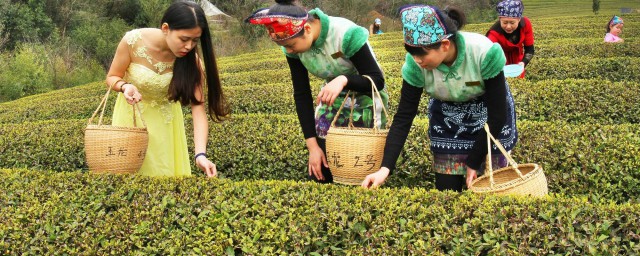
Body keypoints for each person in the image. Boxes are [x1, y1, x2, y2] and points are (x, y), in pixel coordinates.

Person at [361, 5, 518, 191]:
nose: (417, 60)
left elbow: (497, 115)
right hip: (447, 118)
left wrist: (474, 161)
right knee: (447, 190)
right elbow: (404, 116)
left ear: (445, 45)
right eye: (412, 53)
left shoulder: (483, 53)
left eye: (421, 54)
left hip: (488, 116)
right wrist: (384, 168)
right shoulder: (414, 65)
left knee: (489, 188)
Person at [246, 0, 388, 183]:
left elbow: (377, 80)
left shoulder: (345, 34)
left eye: (291, 45)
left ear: (306, 29)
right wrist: (312, 147)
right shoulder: (293, 48)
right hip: (332, 98)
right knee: (321, 169)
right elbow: (302, 94)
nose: (289, 50)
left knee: (356, 169)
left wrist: (344, 80)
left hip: (366, 99)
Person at [105, 1, 229, 177]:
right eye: (184, 39)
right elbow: (111, 77)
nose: (189, 46)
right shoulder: (133, 42)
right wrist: (125, 86)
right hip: (130, 122)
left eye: (195, 41)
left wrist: (200, 154)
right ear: (165, 28)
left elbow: (198, 109)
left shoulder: (192, 62)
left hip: (166, 129)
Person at [485, 0, 534, 78]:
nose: (508, 26)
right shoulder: (493, 34)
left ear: (519, 19)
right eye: (504, 22)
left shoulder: (526, 24)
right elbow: (488, 57)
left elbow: (530, 49)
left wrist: (523, 62)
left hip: (518, 64)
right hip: (501, 63)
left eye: (512, 23)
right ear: (500, 19)